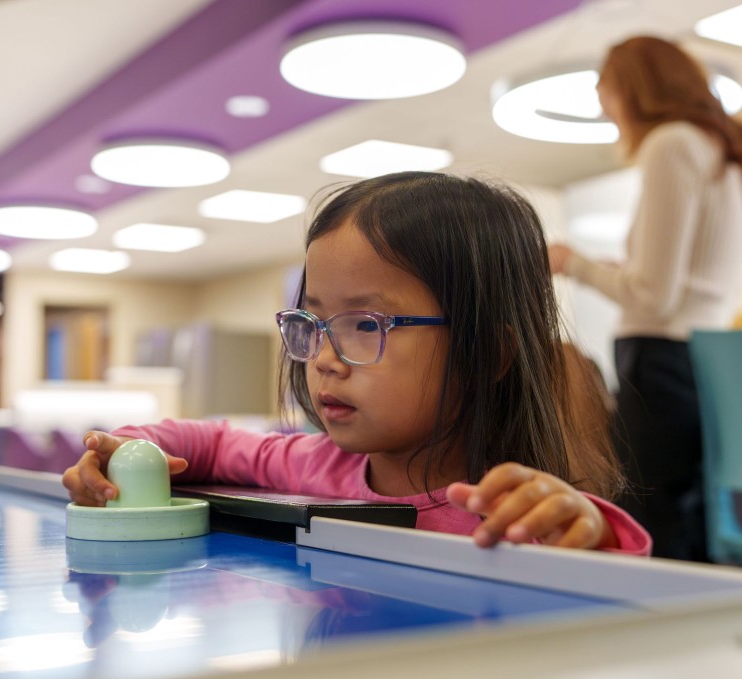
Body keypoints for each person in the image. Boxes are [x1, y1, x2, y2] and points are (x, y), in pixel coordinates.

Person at [64, 171, 651, 555]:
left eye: (366, 326)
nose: (323, 360)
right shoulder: (315, 465)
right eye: (313, 324)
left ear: (488, 355)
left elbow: (607, 561)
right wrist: (123, 450)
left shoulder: (515, 510)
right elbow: (209, 444)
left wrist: (587, 529)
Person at [548, 36, 742, 561]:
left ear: (633, 89)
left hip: (657, 357)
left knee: (657, 518)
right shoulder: (721, 153)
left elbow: (653, 297)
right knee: (696, 510)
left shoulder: (670, 144)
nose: (606, 110)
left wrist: (574, 264)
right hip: (701, 355)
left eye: (607, 94)